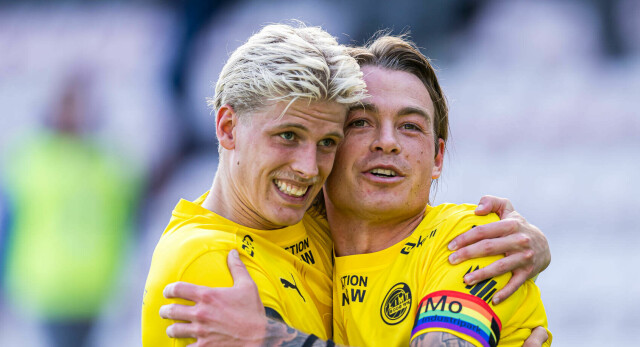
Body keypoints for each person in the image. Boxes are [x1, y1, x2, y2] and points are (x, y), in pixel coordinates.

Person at [159, 35, 552, 346]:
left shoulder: (475, 240)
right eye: (362, 123)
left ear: (437, 157)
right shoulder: (222, 256)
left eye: (411, 126)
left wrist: (268, 338)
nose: (387, 142)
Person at [141, 22, 367, 346]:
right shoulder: (206, 262)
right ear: (228, 128)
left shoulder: (316, 220)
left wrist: (459, 232)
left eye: (327, 142)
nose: (308, 168)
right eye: (288, 136)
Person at [1, 71, 141, 347]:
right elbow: (9, 225)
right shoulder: (32, 159)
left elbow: (127, 225)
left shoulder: (111, 163)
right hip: (47, 289)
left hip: (95, 290)